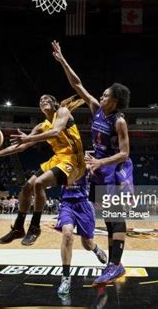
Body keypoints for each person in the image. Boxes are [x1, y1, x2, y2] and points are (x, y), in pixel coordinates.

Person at [53, 40, 132, 284]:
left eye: (106, 94)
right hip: (99, 168)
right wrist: (63, 60)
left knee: (115, 216)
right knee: (108, 218)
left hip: (116, 170)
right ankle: (113, 264)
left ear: (115, 101)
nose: (101, 95)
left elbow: (125, 153)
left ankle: (115, 265)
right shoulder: (97, 108)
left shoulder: (119, 121)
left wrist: (99, 162)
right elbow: (78, 85)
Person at [0, 94, 86, 246]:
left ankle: (35, 228)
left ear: (55, 103)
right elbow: (23, 145)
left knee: (39, 183)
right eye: (40, 100)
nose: (43, 101)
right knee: (26, 188)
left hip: (75, 160)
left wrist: (28, 138)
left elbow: (56, 131)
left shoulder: (63, 112)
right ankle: (18, 228)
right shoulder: (41, 126)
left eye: (46, 99)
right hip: (58, 158)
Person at [55, 173, 107, 295]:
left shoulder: (87, 164)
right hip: (67, 204)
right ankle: (66, 277)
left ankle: (95, 249)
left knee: (87, 244)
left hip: (84, 204)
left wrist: (95, 173)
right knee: (67, 234)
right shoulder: (63, 161)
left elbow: (101, 176)